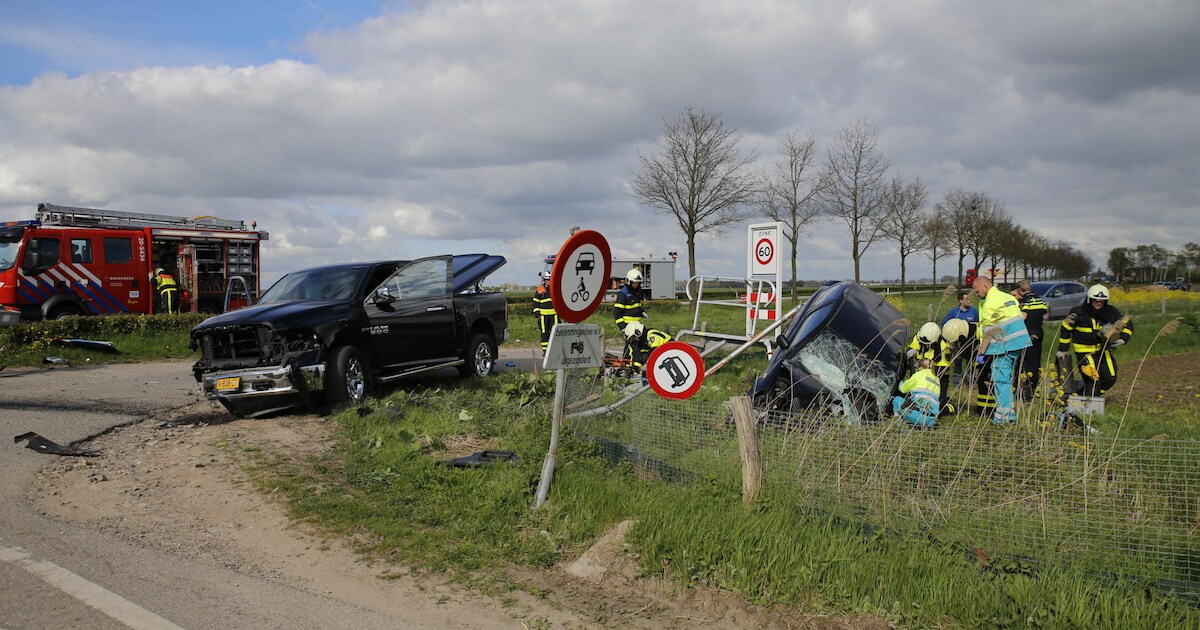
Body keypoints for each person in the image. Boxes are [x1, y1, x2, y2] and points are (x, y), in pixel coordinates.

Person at [973, 275, 1031, 425]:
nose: (976, 294)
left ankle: (1004, 417)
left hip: (1003, 345)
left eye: (977, 290)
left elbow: (989, 331)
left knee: (1000, 380)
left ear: (985, 286)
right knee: (1006, 379)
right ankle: (1008, 414)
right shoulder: (1007, 297)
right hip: (1018, 342)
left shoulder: (990, 303)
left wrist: (981, 353)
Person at [1056, 284, 1133, 397]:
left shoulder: (1111, 312)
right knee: (1093, 379)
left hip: (1103, 351)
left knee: (1110, 378)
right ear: (1089, 299)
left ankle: (1082, 395)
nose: (1099, 303)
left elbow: (1127, 323)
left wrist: (1123, 339)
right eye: (1096, 301)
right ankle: (1090, 402)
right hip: (1084, 352)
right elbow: (1066, 329)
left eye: (1102, 301)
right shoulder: (1077, 312)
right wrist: (1063, 350)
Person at [906, 322, 954, 416]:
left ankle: (950, 407)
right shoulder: (919, 337)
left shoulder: (943, 347)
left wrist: (926, 373)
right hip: (921, 376)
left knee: (938, 406)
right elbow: (913, 347)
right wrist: (910, 352)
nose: (926, 346)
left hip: (938, 379)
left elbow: (942, 370)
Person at [1011, 279, 1049, 401]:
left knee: (1023, 363)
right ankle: (1034, 389)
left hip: (1027, 334)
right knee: (1036, 362)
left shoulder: (1025, 301)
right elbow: (1045, 316)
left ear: (1020, 290)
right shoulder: (1040, 300)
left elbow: (1023, 317)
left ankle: (1023, 391)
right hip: (1039, 332)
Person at [941, 291, 979, 384]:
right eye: (967, 299)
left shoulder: (974, 312)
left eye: (970, 299)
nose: (969, 301)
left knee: (970, 361)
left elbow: (979, 324)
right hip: (956, 341)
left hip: (971, 341)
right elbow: (944, 324)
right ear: (961, 301)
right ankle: (956, 381)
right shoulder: (954, 312)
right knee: (957, 359)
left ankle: (970, 381)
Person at [892, 358, 940, 428]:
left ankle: (899, 426)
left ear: (920, 367)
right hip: (932, 420)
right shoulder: (937, 380)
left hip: (918, 417)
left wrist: (898, 381)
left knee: (896, 400)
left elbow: (903, 389)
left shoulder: (918, 375)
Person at [612, 269, 646, 333]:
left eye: (638, 283)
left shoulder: (637, 292)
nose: (636, 285)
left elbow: (635, 307)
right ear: (628, 282)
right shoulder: (623, 293)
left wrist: (642, 313)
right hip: (627, 326)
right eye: (634, 283)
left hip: (637, 325)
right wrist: (622, 326)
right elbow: (617, 312)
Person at [532, 271, 558, 352]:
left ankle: (555, 350)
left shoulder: (555, 289)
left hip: (554, 316)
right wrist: (537, 313)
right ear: (544, 280)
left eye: (550, 279)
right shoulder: (540, 289)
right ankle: (545, 351)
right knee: (544, 334)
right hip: (543, 316)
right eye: (547, 280)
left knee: (555, 333)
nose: (549, 281)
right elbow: (535, 302)